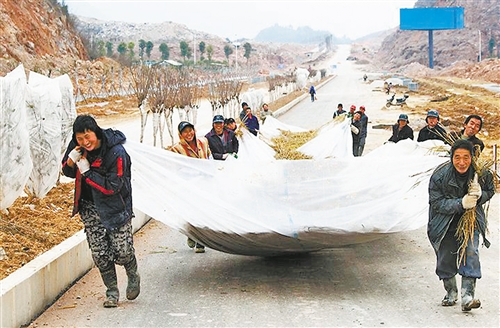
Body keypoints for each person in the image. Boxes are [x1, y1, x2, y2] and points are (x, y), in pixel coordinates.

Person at [61, 115, 140, 308]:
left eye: (87, 137)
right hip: (89, 206)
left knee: (121, 251)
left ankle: (132, 271)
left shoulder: (116, 152)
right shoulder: (78, 147)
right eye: (80, 138)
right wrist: (71, 161)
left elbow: (113, 187)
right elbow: (68, 172)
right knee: (100, 253)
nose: (85, 142)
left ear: (96, 132)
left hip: (115, 206)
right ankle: (112, 291)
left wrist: (88, 172)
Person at [427, 139, 495, 312]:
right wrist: (461, 203)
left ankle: (467, 297)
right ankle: (451, 291)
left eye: (466, 157)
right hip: (445, 222)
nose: (462, 162)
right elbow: (436, 202)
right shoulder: (440, 175)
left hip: (470, 221)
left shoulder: (481, 173)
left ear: (472, 157)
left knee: (470, 252)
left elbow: (490, 190)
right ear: (451, 157)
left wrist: (480, 196)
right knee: (446, 258)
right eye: (457, 157)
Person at [171, 121, 211, 253]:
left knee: (204, 213)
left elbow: (209, 157)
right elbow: (176, 169)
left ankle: (200, 241)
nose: (189, 134)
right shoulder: (176, 149)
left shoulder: (203, 142)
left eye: (190, 130)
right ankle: (193, 236)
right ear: (180, 134)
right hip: (189, 186)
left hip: (204, 185)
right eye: (185, 132)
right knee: (192, 213)